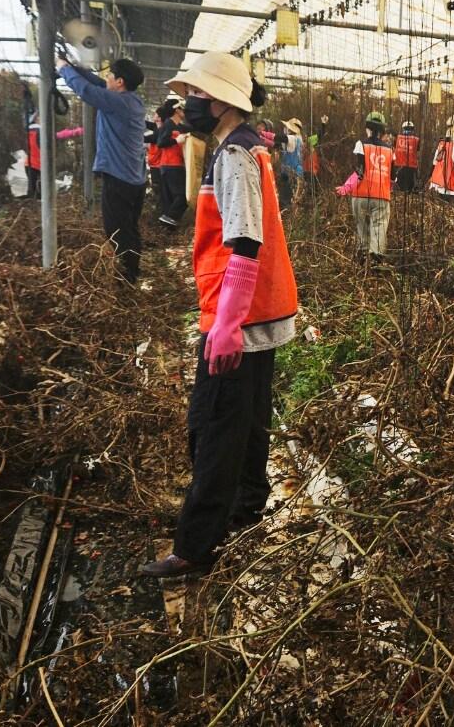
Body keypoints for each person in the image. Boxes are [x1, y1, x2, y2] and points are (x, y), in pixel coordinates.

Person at [141, 51, 298, 578]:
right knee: (250, 419)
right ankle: (246, 508)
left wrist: (227, 325)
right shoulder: (250, 148)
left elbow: (245, 243)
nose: (189, 105)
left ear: (223, 101)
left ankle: (196, 547)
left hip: (239, 316)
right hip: (264, 310)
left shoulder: (233, 155)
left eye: (197, 97)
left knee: (213, 427)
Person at [56, 55, 148, 284]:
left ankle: (126, 278)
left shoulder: (117, 103)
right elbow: (96, 84)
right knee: (129, 229)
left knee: (117, 231)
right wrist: (73, 66)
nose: (106, 78)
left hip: (119, 179)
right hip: (133, 179)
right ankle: (132, 272)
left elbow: (87, 91)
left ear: (120, 82)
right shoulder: (131, 101)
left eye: (110, 75)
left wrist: (63, 70)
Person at [346, 111, 393, 261]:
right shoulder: (389, 150)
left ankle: (362, 255)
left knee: (361, 225)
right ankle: (376, 259)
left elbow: (359, 170)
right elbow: (394, 176)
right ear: (383, 131)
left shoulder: (361, 144)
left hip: (360, 194)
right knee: (379, 225)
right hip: (381, 196)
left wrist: (347, 186)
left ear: (367, 128)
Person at [156, 99, 189, 227]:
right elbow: (160, 142)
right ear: (177, 110)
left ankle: (167, 229)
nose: (184, 112)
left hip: (176, 165)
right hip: (171, 165)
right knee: (183, 196)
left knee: (171, 199)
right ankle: (168, 217)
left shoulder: (179, 126)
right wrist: (176, 141)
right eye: (182, 109)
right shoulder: (168, 124)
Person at [277, 117, 305, 210]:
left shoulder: (292, 138)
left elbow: (278, 138)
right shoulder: (300, 139)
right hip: (292, 170)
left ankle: (288, 214)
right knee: (292, 194)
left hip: (291, 171)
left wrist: (264, 134)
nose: (286, 129)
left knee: (287, 196)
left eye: (287, 127)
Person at [393, 121, 420, 192]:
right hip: (410, 165)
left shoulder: (397, 138)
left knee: (400, 185)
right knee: (409, 186)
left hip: (399, 165)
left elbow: (394, 148)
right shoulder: (416, 140)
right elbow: (417, 152)